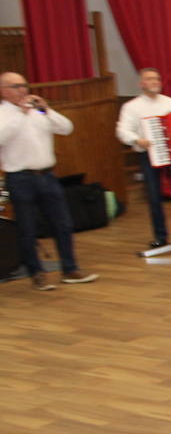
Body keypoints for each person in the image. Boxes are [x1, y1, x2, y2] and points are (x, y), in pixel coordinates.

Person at [0, 71, 98, 290]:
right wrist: (20, 115)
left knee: (62, 223)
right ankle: (37, 273)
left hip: (47, 176)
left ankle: (70, 269)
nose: (22, 90)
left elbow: (66, 128)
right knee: (27, 227)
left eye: (24, 85)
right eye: (15, 86)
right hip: (20, 178)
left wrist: (47, 109)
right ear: (4, 91)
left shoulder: (38, 111)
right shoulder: (3, 114)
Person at [115, 67, 171, 248]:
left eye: (157, 79)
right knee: (154, 196)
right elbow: (122, 131)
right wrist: (137, 139)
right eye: (150, 79)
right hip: (149, 155)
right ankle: (161, 236)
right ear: (141, 83)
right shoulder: (131, 106)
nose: (154, 82)